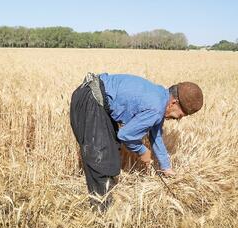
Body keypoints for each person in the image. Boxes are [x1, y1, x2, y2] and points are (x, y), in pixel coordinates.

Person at [70, 72, 203, 211]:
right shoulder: (157, 108)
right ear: (174, 102)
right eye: (181, 114)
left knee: (111, 155)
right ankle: (102, 216)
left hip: (96, 98)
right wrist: (142, 151)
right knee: (102, 161)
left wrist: (166, 167)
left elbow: (155, 134)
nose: (179, 118)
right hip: (91, 100)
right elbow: (126, 135)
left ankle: (105, 207)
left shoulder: (160, 97)